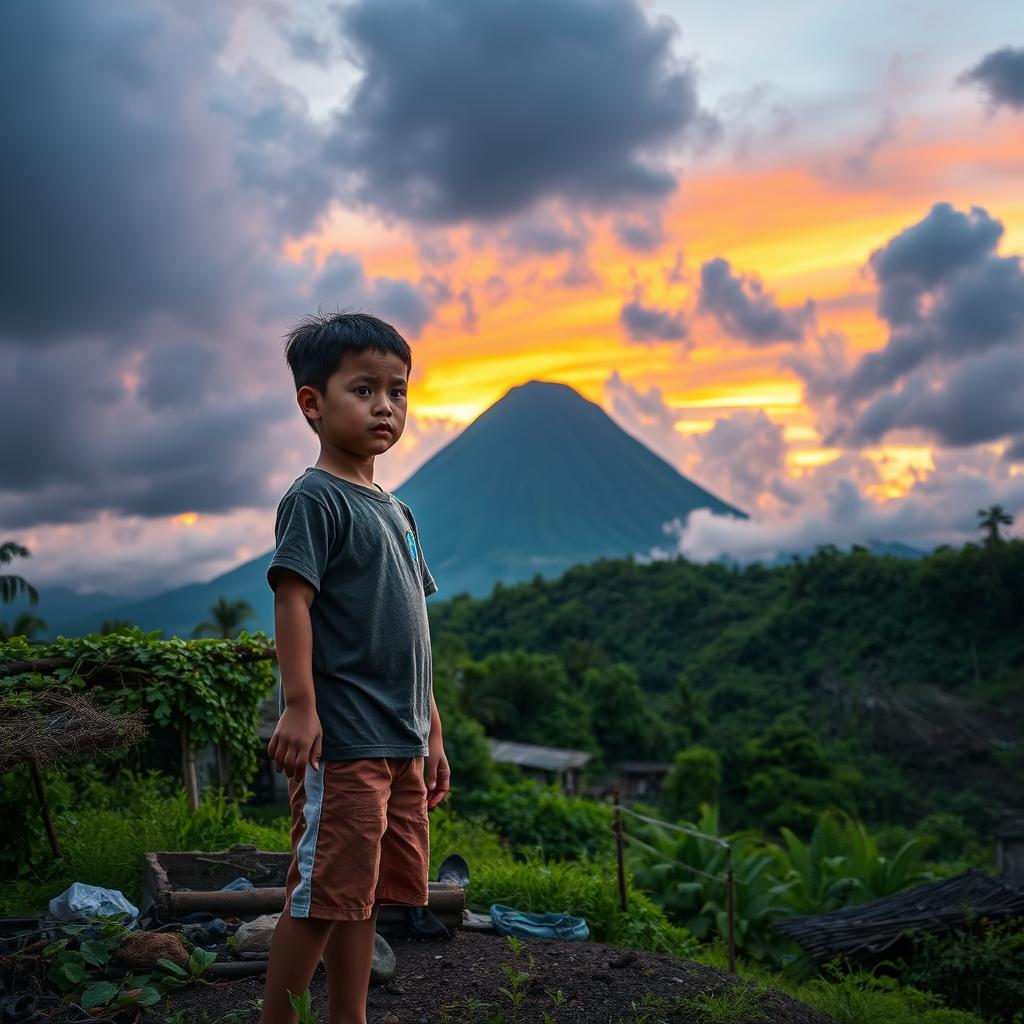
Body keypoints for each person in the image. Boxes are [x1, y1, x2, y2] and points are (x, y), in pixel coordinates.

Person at [260, 311, 450, 1024]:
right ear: (313, 403)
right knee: (318, 898)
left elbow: (417, 634)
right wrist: (300, 704)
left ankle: (350, 1016)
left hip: (397, 743)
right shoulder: (315, 499)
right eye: (364, 389)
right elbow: (292, 600)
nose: (386, 407)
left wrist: (430, 734)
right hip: (342, 743)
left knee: (362, 894)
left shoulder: (398, 510)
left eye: (398, 392)